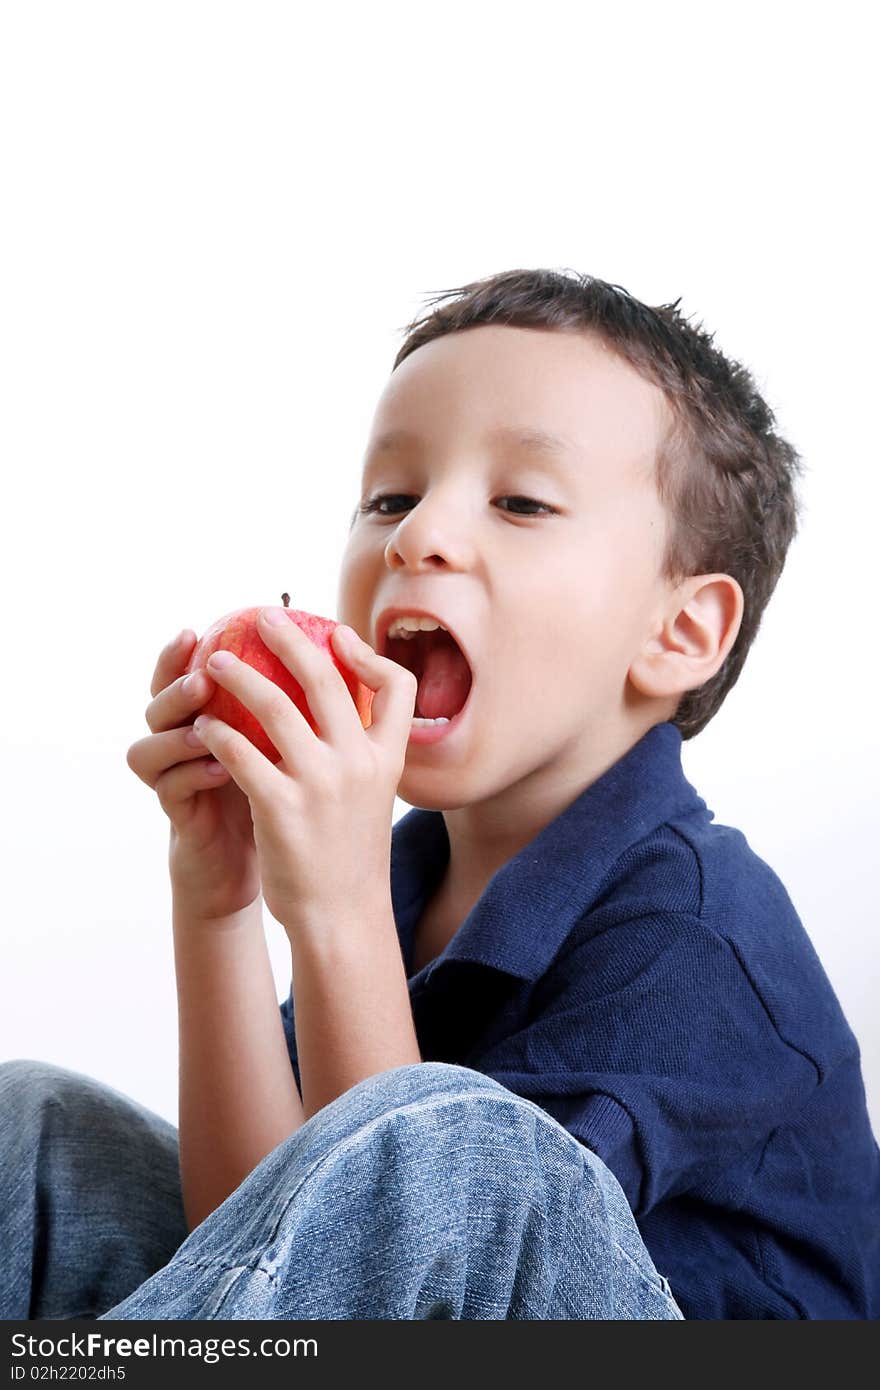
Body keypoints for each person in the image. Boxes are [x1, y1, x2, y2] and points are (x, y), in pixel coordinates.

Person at [2, 269, 877, 1321]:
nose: (416, 536)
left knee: (454, 1136)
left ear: (676, 632)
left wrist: (336, 908)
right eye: (390, 497)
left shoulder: (697, 935)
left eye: (519, 501)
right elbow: (273, 1244)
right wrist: (222, 899)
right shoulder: (406, 884)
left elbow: (425, 1238)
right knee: (36, 1125)